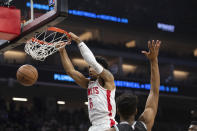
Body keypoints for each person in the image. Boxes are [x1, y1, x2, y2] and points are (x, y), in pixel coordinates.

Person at [59, 32, 116, 131]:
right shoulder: (89, 83)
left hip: (107, 124)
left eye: (93, 67)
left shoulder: (108, 80)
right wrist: (62, 51)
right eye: (89, 67)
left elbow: (92, 61)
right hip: (94, 126)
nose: (90, 69)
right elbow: (70, 71)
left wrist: (78, 40)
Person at [106, 40, 161, 131]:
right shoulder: (145, 125)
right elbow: (154, 92)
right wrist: (154, 60)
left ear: (118, 111)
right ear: (136, 110)